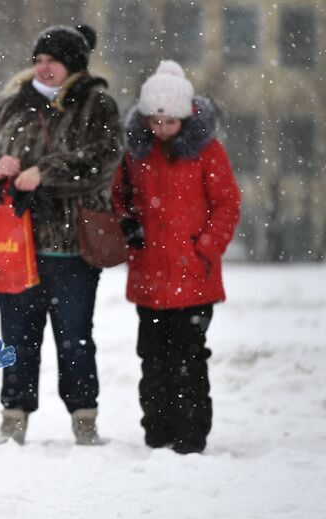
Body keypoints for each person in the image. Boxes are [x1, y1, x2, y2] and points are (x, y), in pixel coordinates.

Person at [0, 25, 123, 445]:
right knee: (16, 339)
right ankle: (13, 416)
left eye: (52, 60)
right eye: (38, 60)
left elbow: (104, 161)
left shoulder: (97, 104)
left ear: (72, 64)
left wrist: (45, 174)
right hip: (14, 245)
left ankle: (84, 418)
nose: (43, 68)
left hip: (71, 245)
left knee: (74, 338)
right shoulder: (13, 104)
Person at [112, 60, 241, 454]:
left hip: (194, 280)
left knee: (189, 361)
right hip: (149, 277)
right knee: (152, 360)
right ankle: (157, 433)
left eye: (169, 122)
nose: (161, 129)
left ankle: (190, 436)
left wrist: (204, 249)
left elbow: (227, 206)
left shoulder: (208, 153)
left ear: (184, 118)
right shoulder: (136, 153)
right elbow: (120, 198)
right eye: (155, 121)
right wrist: (128, 225)